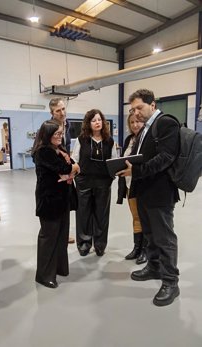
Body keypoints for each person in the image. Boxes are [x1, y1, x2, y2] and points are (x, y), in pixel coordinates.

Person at [117, 89, 180, 307]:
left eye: (139, 107)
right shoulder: (145, 128)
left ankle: (171, 281)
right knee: (151, 235)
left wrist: (136, 170)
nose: (136, 112)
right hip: (144, 191)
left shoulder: (165, 123)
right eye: (132, 109)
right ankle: (154, 267)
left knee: (164, 238)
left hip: (160, 193)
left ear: (152, 104)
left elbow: (167, 157)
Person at [33, 120, 80, 289]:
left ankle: (59, 268)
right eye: (56, 134)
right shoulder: (43, 151)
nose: (60, 137)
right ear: (47, 135)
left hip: (63, 199)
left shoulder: (59, 150)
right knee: (49, 238)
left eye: (61, 133)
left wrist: (71, 168)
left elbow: (72, 167)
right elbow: (66, 167)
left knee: (61, 236)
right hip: (49, 200)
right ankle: (44, 275)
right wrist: (71, 168)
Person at [72, 109, 117, 257]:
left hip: (103, 183)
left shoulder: (110, 141)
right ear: (88, 123)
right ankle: (84, 244)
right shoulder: (81, 139)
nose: (97, 122)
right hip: (84, 182)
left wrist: (111, 177)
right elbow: (75, 160)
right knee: (83, 214)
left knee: (101, 215)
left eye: (99, 120)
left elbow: (114, 162)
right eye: (93, 120)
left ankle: (100, 245)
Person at [32, 97, 75, 244]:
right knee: (51, 220)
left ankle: (63, 233)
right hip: (52, 175)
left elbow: (66, 149)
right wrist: (56, 159)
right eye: (58, 110)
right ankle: (54, 233)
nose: (62, 113)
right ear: (52, 112)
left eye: (63, 109)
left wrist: (69, 167)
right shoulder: (45, 129)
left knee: (64, 208)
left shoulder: (67, 127)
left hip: (65, 173)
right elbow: (37, 154)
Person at [116, 111, 147, 265]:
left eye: (138, 122)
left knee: (144, 218)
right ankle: (137, 248)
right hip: (129, 185)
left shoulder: (146, 139)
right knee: (136, 217)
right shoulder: (129, 139)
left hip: (141, 185)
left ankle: (145, 250)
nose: (135, 125)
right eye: (132, 122)